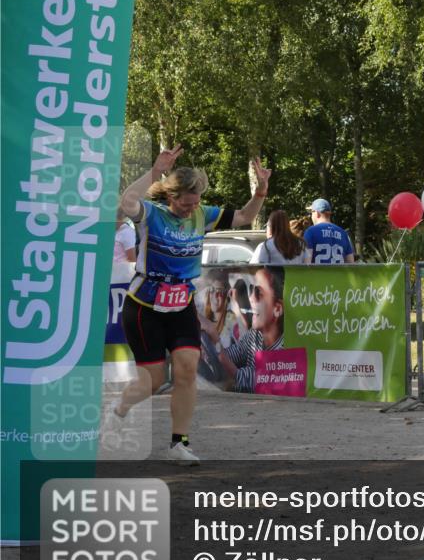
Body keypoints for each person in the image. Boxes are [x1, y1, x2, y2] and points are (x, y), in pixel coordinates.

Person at [108, 145, 271, 464]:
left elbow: (246, 216)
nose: (190, 208)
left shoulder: (202, 214)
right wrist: (156, 170)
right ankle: (121, 406)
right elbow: (127, 202)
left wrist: (261, 190)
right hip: (144, 307)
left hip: (181, 306)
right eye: (185, 203)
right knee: (153, 381)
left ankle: (178, 444)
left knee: (185, 370)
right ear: (172, 197)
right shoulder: (152, 214)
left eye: (195, 203)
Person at [220, 266, 286, 393]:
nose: (251, 298)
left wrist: (214, 338)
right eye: (251, 290)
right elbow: (232, 354)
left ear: (277, 309)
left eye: (259, 293)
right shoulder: (255, 336)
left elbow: (243, 378)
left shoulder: (285, 349)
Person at [304, 198, 356, 264]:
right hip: (339, 274)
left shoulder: (310, 232)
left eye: (312, 212)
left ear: (317, 213)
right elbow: (351, 263)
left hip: (318, 274)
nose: (311, 216)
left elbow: (306, 264)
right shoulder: (343, 233)